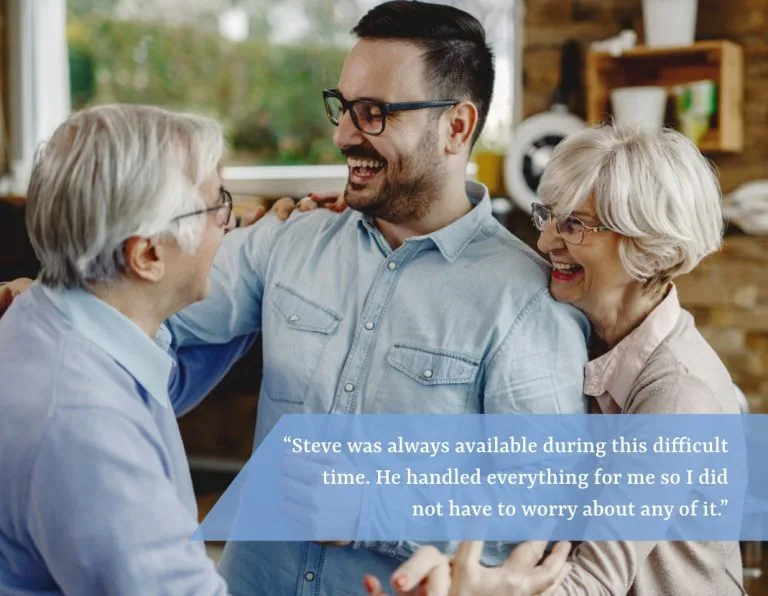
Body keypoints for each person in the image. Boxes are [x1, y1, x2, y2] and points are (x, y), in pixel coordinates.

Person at [162, 1, 590, 593]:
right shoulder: (290, 239)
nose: (342, 135)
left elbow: (539, 518)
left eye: (373, 113)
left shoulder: (524, 303)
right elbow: (153, 323)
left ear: (457, 127)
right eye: (343, 107)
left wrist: (375, 512)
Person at [363, 125, 746, 596]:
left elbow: (592, 585)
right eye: (548, 216)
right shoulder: (579, 336)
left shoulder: (680, 398)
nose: (546, 243)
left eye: (575, 225)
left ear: (647, 245)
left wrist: (469, 587)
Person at [0, 104, 261, 594]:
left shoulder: (41, 317)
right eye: (217, 205)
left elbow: (165, 371)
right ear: (147, 255)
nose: (228, 223)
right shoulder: (82, 425)